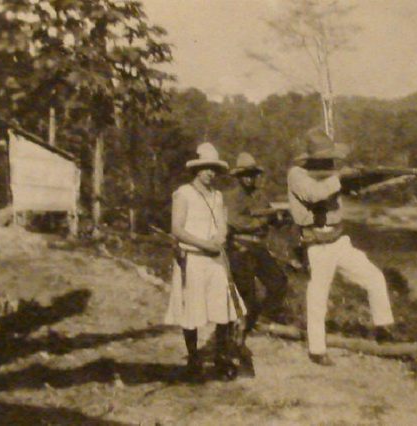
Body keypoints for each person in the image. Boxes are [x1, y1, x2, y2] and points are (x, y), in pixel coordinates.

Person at [287, 127, 395, 366]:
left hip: (338, 240)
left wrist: (388, 181)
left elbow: (356, 190)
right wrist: (340, 177)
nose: (329, 161)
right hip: (316, 243)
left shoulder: (330, 176)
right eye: (324, 158)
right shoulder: (297, 174)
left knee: (374, 277)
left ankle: (383, 329)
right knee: (318, 297)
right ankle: (317, 350)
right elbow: (314, 194)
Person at [164, 142, 246, 382]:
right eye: (207, 168)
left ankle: (221, 358)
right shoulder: (184, 193)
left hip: (215, 258)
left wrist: (219, 240)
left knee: (224, 308)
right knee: (192, 309)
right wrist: (203, 243)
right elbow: (177, 229)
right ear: (197, 169)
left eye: (214, 169)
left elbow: (222, 225)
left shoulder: (217, 196)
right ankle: (193, 359)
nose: (211, 173)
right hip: (194, 258)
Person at [225, 153, 289, 366]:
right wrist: (261, 221)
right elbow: (236, 222)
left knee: (279, 282)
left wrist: (279, 219)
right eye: (245, 175)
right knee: (247, 295)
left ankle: (259, 321)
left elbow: (272, 221)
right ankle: (237, 338)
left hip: (259, 247)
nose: (249, 179)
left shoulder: (260, 197)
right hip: (240, 247)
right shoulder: (233, 197)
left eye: (252, 175)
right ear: (238, 177)